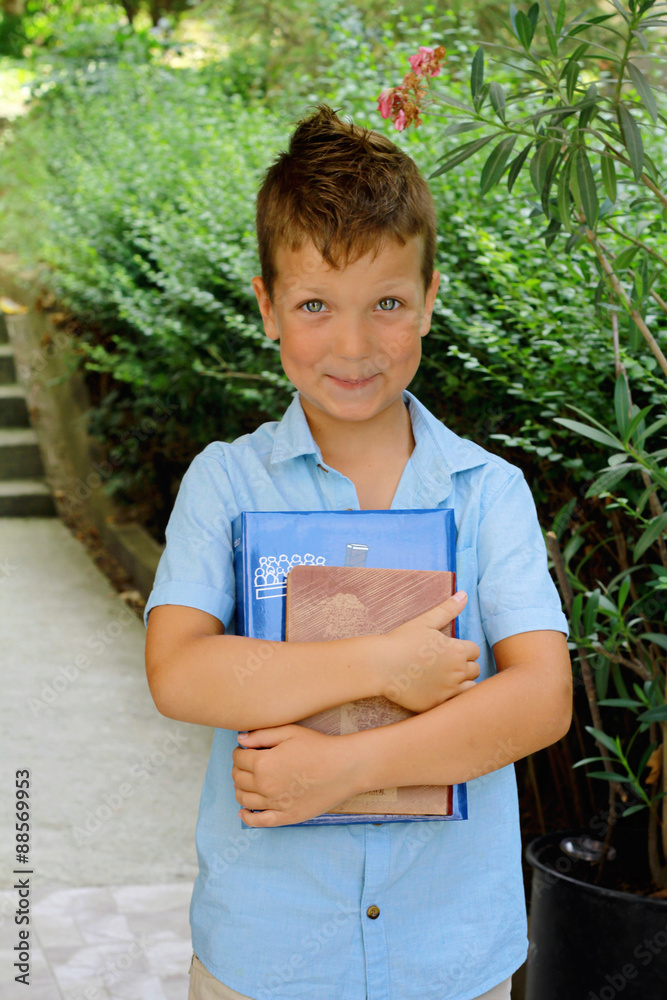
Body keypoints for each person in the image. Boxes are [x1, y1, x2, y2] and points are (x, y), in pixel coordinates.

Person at [143, 105, 572, 1000]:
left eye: (386, 303)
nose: (352, 344)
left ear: (429, 299)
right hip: (264, 954)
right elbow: (179, 673)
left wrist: (344, 768)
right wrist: (385, 664)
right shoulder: (227, 484)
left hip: (448, 956)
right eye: (314, 305)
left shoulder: (486, 491)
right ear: (266, 307)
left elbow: (540, 699)